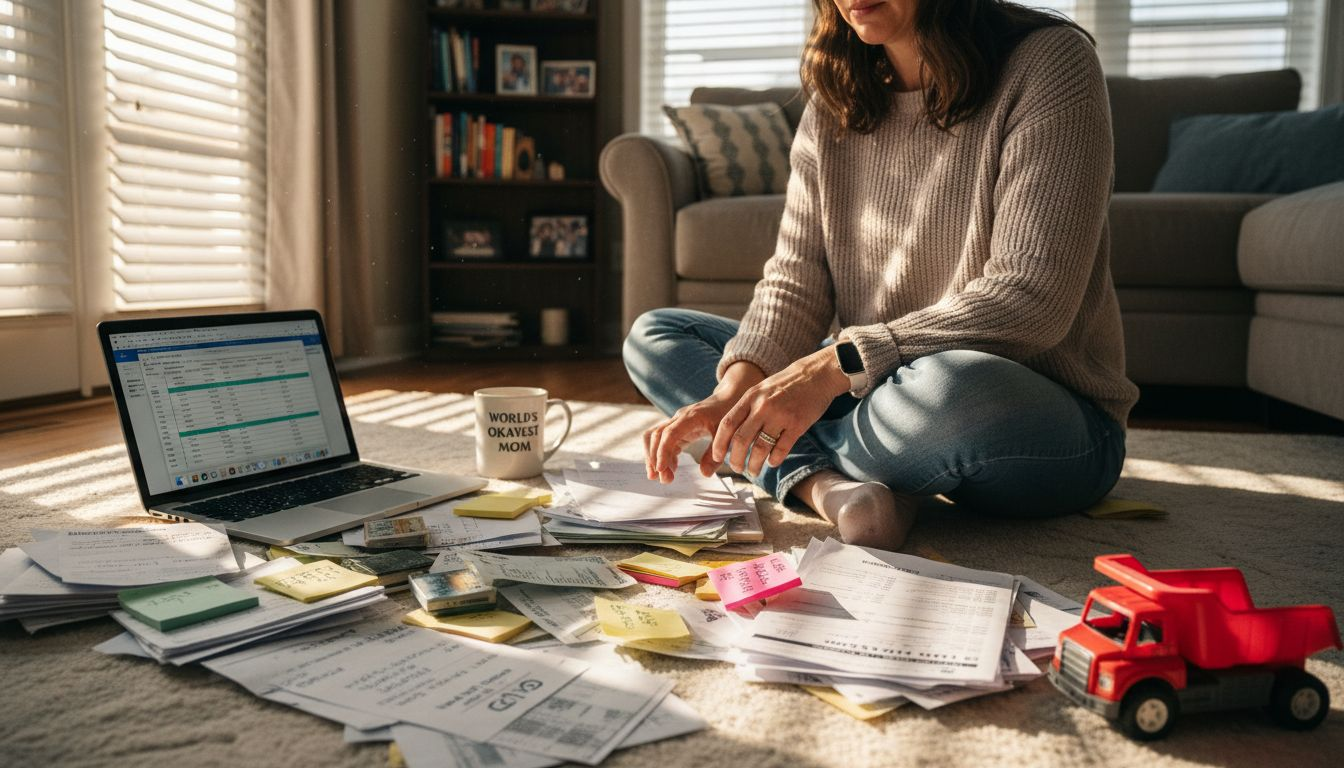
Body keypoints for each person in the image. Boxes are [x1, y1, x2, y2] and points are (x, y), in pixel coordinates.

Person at [623, 0, 1138, 552]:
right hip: (876, 391)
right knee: (656, 335)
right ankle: (831, 487)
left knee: (951, 387)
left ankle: (796, 465)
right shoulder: (833, 98)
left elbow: (1031, 297)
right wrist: (734, 392)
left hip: (1021, 412)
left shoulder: (1050, 62)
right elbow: (795, 281)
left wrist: (829, 369)